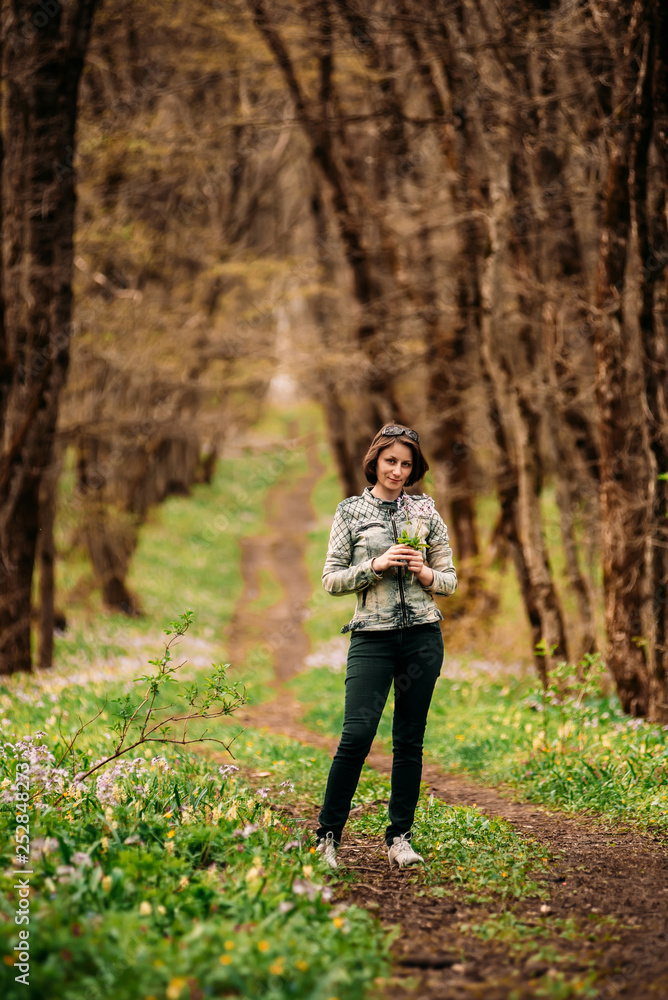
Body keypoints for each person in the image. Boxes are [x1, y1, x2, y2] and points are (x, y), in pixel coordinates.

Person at [315, 423, 457, 870]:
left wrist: (425, 572)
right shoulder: (352, 512)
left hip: (422, 637)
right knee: (356, 735)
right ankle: (327, 838)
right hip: (371, 638)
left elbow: (450, 580)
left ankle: (399, 837)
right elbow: (331, 579)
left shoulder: (427, 513)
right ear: (375, 460)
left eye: (406, 463)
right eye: (391, 461)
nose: (398, 470)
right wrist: (374, 565)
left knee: (408, 740)